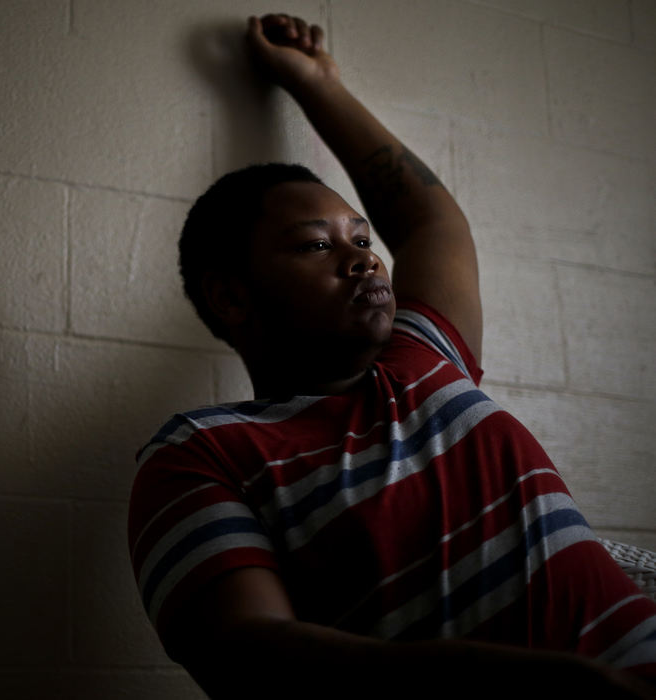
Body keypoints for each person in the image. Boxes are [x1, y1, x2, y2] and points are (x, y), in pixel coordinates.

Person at [127, 14, 656, 699]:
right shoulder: (200, 453)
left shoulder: (424, 354)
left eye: (361, 238)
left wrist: (315, 82)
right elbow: (249, 655)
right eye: (318, 245)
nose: (362, 258)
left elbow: (428, 221)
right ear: (230, 297)